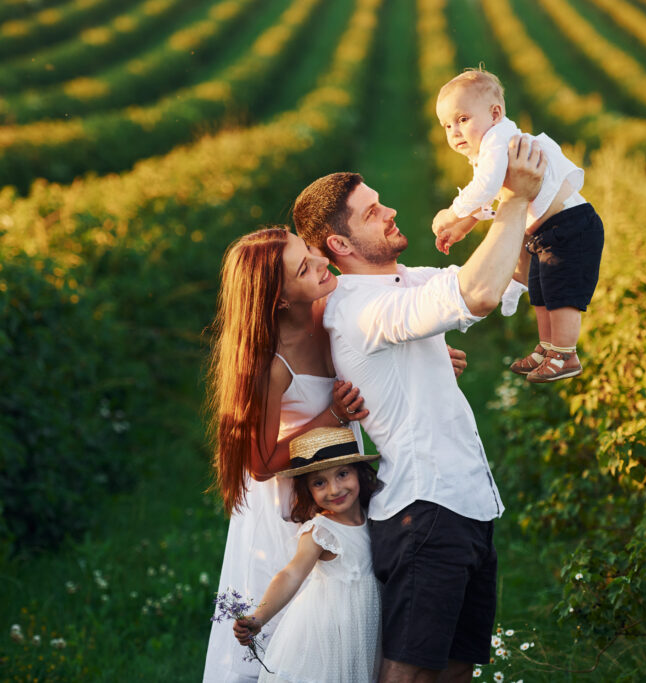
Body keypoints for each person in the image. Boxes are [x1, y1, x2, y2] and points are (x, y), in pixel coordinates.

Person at [291, 135, 544, 683]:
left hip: (468, 504)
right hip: (425, 512)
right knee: (408, 674)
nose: (391, 212)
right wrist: (514, 203)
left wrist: (513, 199)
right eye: (373, 211)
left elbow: (511, 277)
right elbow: (474, 295)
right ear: (339, 242)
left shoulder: (405, 282)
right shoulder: (360, 308)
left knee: (456, 670)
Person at [202, 227, 466, 682]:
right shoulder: (270, 359)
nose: (322, 263)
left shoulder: (329, 306)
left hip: (338, 474)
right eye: (304, 268)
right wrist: (332, 415)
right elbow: (261, 463)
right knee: (303, 622)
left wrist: (425, 356)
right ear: (279, 300)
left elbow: (369, 344)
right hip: (295, 496)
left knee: (352, 606)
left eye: (309, 250)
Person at [432, 68, 605, 383]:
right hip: (546, 233)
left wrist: (452, 213)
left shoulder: (499, 139)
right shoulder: (491, 146)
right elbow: (496, 197)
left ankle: (565, 354)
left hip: (570, 225)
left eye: (462, 120)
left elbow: (486, 188)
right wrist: (464, 227)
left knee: (561, 291)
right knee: (541, 290)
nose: (454, 132)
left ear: (495, 113)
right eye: (446, 125)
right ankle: (547, 348)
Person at [233, 427, 382, 683]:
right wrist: (259, 616)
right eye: (319, 482)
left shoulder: (376, 516)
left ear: (358, 473)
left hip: (365, 630)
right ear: (308, 490)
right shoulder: (321, 531)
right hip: (327, 636)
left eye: (342, 474)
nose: (334, 489)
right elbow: (291, 574)